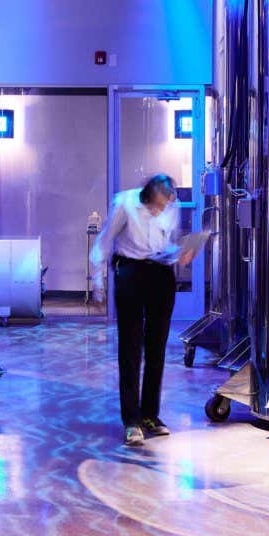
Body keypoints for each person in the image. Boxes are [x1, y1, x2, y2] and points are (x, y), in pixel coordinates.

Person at [89, 174, 197, 447]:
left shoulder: (171, 205)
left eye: (167, 203)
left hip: (161, 274)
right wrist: (98, 285)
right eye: (160, 203)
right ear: (148, 196)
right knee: (130, 349)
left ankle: (150, 415)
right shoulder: (125, 204)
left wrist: (180, 253)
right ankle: (131, 420)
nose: (164, 208)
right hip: (131, 274)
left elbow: (165, 242)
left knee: (157, 348)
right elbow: (104, 242)